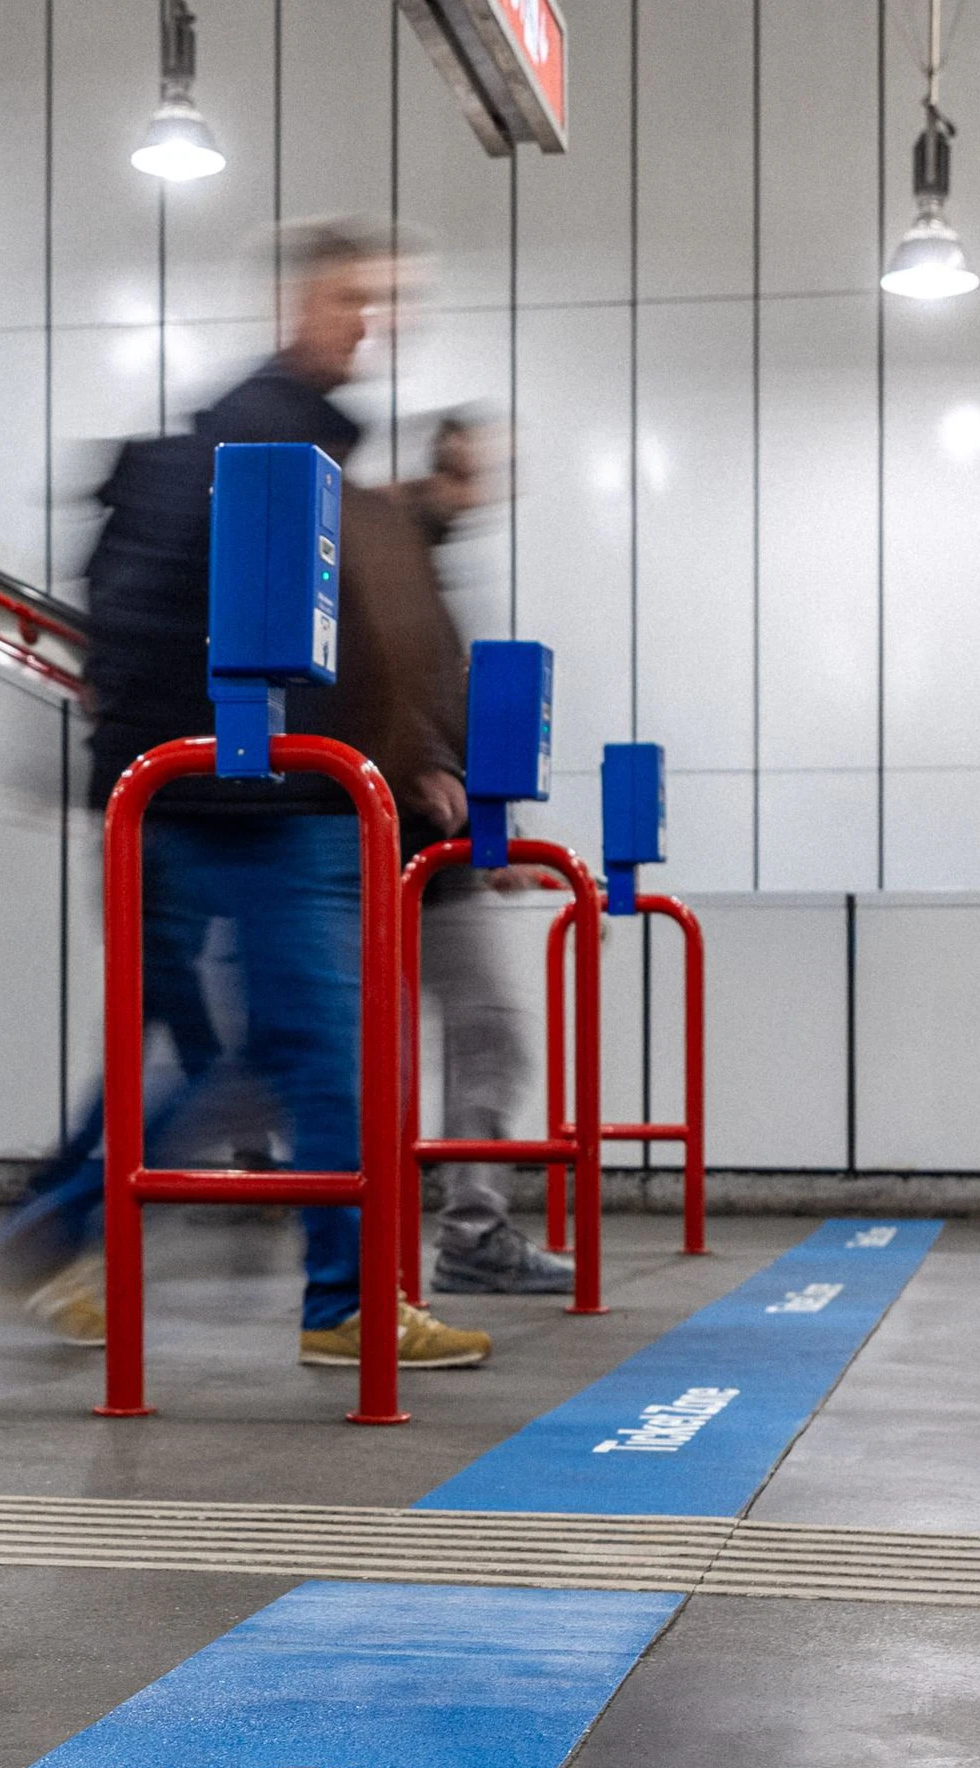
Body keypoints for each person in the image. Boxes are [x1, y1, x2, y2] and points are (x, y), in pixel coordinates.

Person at [0, 219, 491, 1372]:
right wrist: (319, 756)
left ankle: (55, 1233)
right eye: (355, 299)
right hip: (255, 805)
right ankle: (339, 1305)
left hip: (189, 798)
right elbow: (270, 636)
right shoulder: (268, 445)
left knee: (224, 1052)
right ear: (301, 304)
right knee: (315, 1047)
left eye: (382, 301)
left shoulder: (280, 446)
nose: (372, 321)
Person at [356, 409, 574, 1296]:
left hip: (429, 859)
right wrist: (426, 771)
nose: (477, 493)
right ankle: (438, 1240)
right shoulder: (386, 556)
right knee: (444, 1045)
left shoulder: (428, 571)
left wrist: (496, 839)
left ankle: (460, 1232)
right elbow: (376, 687)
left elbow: (446, 708)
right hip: (388, 853)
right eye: (465, 474)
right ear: (431, 473)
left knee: (478, 1040)